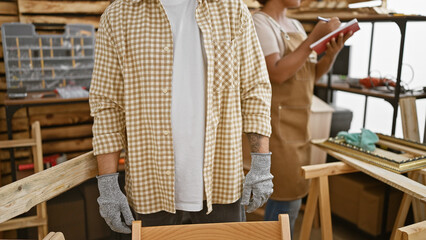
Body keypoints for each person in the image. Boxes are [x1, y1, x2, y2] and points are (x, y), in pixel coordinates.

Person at [89, 0, 274, 235]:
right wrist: (108, 186)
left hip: (221, 185)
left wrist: (260, 164)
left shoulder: (232, 9)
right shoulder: (118, 16)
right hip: (150, 188)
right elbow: (107, 105)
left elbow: (254, 88)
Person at [252, 0, 353, 234]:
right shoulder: (259, 22)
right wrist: (311, 40)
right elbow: (276, 73)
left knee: (289, 200)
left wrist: (331, 53)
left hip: (299, 125)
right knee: (285, 201)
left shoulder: (296, 25)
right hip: (274, 127)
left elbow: (312, 75)